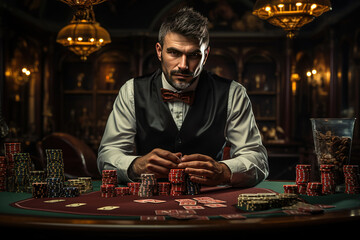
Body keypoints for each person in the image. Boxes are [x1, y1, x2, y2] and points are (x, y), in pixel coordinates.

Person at [97, 7, 269, 187]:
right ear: (159, 51)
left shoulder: (233, 93)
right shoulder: (131, 91)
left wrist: (223, 171)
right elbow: (107, 156)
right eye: (174, 53)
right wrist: (135, 165)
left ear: (205, 56)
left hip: (211, 199)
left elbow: (258, 160)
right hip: (147, 200)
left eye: (194, 55)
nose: (183, 65)